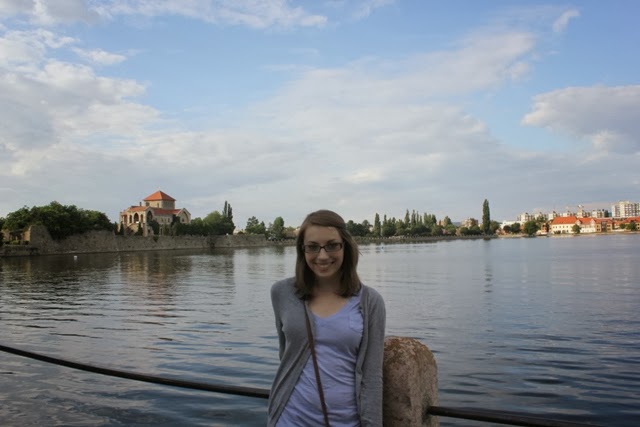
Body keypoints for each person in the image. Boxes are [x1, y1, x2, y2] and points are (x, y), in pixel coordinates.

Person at [268, 210, 386, 427]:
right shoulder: (282, 293)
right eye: (312, 247)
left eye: (332, 245)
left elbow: (372, 376)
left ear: (345, 247)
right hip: (289, 419)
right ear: (302, 250)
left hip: (347, 422)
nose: (322, 256)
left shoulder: (371, 302)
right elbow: (287, 355)